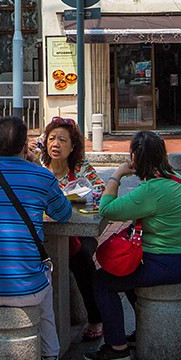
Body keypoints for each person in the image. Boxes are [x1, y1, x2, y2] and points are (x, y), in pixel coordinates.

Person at [0, 116, 72, 360]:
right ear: (26, 144)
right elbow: (63, 213)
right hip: (27, 289)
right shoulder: (42, 176)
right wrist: (36, 170)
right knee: (45, 299)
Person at [86, 130, 181, 360]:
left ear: (135, 158)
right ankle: (141, 332)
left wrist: (117, 175)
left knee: (101, 281)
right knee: (127, 276)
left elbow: (107, 209)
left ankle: (116, 347)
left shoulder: (152, 190)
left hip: (169, 262)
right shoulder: (177, 180)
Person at [37, 116, 105, 341]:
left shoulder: (80, 168)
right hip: (42, 234)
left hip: (76, 233)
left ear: (73, 146)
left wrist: (72, 199)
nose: (55, 144)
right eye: (52, 139)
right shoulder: (37, 165)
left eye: (62, 140)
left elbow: (100, 191)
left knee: (83, 259)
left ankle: (95, 317)